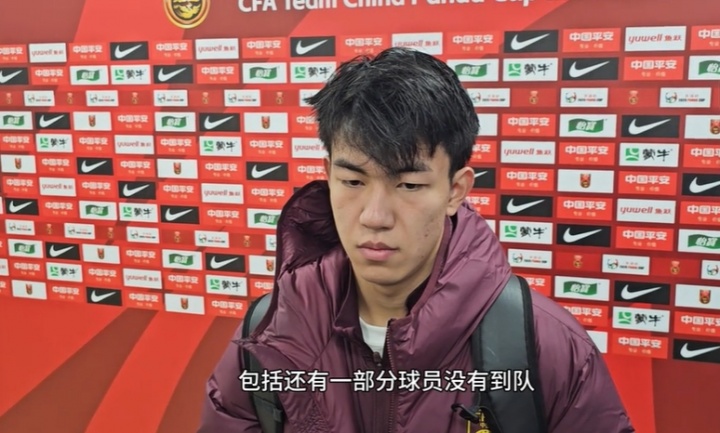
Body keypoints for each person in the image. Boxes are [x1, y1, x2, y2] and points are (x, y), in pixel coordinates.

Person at [197, 47, 635, 433]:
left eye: (408, 186)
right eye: (352, 181)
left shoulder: (544, 347)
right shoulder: (270, 333)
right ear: (327, 175)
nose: (374, 217)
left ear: (456, 190)